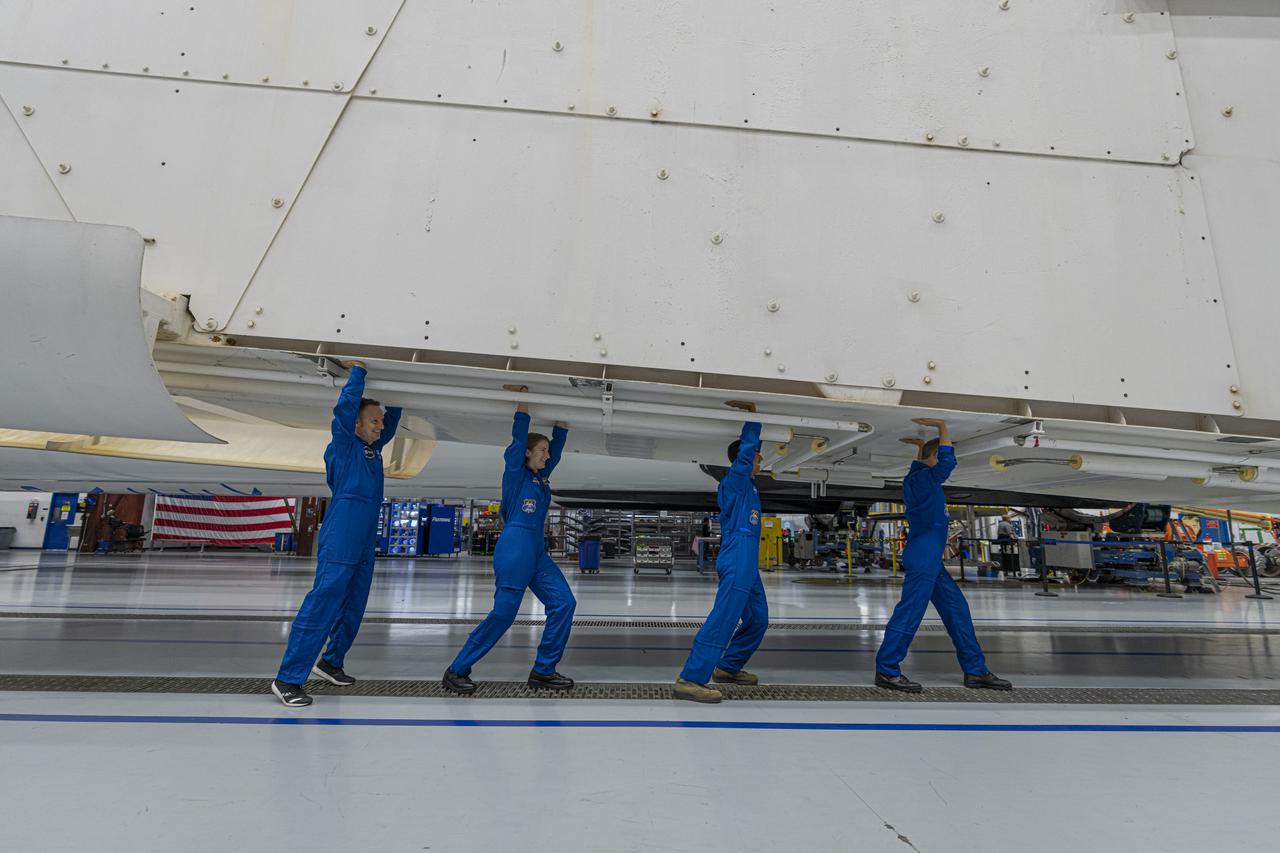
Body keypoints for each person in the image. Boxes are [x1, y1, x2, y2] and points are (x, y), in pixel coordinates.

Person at [271, 360, 402, 707]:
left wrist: (400, 398)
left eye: (381, 420)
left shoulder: (372, 451)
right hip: (343, 530)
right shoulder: (344, 445)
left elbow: (388, 428)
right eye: (373, 420)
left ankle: (331, 662)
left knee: (354, 604)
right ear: (356, 423)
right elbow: (343, 409)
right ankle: (288, 678)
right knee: (325, 601)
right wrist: (358, 372)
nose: (380, 425)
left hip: (363, 539)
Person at [443, 389, 575, 693]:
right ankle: (457, 670)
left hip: (536, 551)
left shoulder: (540, 478)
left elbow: (555, 451)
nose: (547, 455)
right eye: (542, 450)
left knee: (564, 603)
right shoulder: (515, 473)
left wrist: (562, 429)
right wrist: (523, 408)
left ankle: (544, 670)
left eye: (547, 451)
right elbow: (518, 441)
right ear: (528, 453)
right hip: (515, 549)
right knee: (503, 615)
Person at [874, 418, 1012, 693]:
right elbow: (947, 463)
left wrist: (921, 447)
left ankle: (975, 671)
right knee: (910, 612)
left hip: (927, 557)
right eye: (940, 455)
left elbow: (925, 463)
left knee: (957, 610)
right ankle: (887, 670)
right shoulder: (926, 480)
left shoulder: (916, 478)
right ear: (935, 457)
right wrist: (941, 427)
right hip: (924, 556)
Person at [674, 401, 768, 703]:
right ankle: (691, 678)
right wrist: (753, 420)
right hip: (738, 554)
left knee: (758, 619)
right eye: (756, 454)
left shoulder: (750, 486)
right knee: (724, 618)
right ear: (743, 458)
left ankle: (728, 666)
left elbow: (751, 453)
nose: (760, 457)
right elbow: (746, 452)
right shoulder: (736, 482)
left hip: (748, 557)